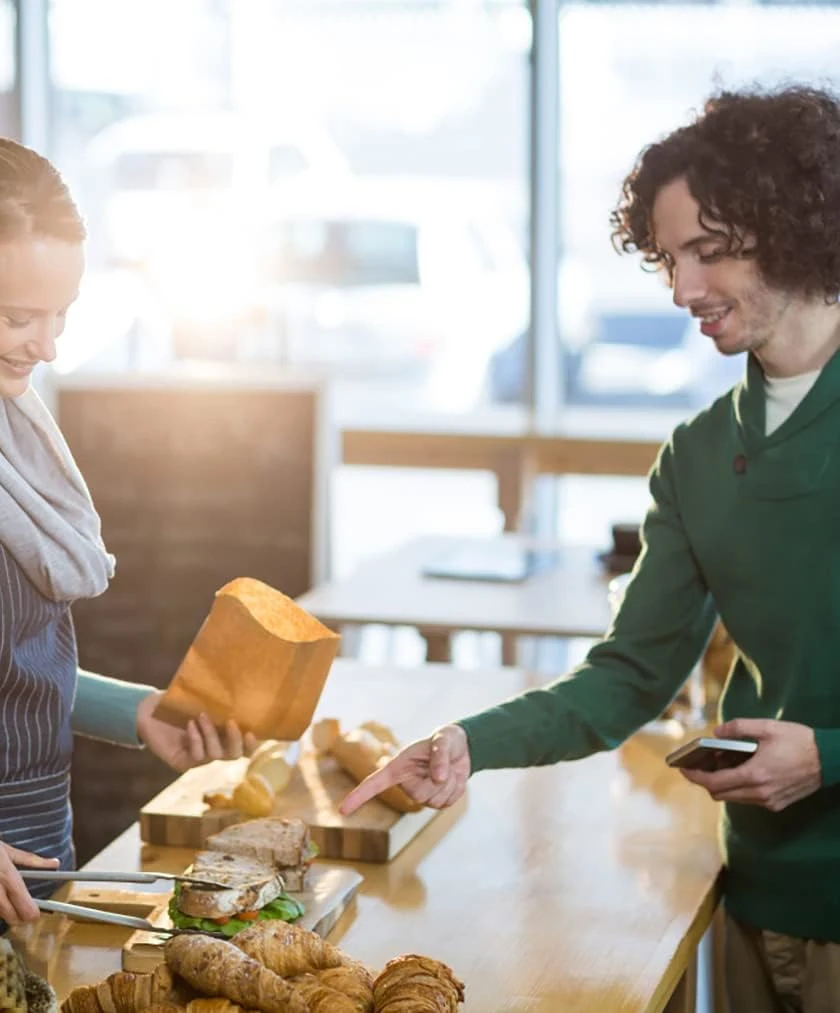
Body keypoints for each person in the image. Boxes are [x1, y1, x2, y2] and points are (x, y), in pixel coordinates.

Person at [340, 83, 840, 1013]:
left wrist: (832, 754)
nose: (683, 289)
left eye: (709, 250)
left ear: (794, 226)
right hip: (753, 899)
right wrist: (461, 743)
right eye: (667, 257)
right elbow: (627, 679)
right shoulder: (695, 458)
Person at [0, 133, 255, 950]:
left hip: (32, 876)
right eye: (19, 316)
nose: (49, 346)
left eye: (62, 315)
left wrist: (138, 712)